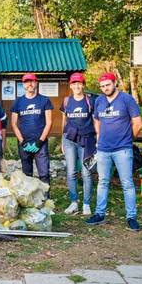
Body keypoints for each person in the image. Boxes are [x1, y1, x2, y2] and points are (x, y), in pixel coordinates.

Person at [87, 72, 142, 231]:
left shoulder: (127, 99)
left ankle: (131, 217)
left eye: (108, 85)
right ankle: (99, 214)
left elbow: (138, 124)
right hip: (104, 149)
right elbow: (96, 120)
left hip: (123, 149)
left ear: (114, 83)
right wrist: (99, 137)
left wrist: (128, 140)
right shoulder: (99, 101)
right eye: (102, 86)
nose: (105, 88)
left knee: (127, 183)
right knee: (103, 182)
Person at [60, 72, 96, 216]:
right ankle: (74, 202)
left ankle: (86, 204)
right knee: (71, 172)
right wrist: (63, 140)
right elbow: (64, 120)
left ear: (83, 85)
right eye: (74, 83)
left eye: (79, 83)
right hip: (69, 140)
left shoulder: (89, 101)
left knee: (86, 172)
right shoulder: (67, 101)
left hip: (86, 140)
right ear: (71, 85)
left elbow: (95, 121)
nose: (77, 86)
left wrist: (97, 140)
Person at [10, 73, 53, 186]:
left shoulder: (44, 100)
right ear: (23, 84)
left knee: (44, 174)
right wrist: (22, 142)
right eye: (27, 81)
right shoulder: (18, 102)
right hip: (24, 143)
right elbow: (13, 124)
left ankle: (45, 200)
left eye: (32, 81)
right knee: (27, 174)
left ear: (36, 83)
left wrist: (40, 141)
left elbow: (49, 123)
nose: (30, 84)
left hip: (41, 144)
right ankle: (30, 200)